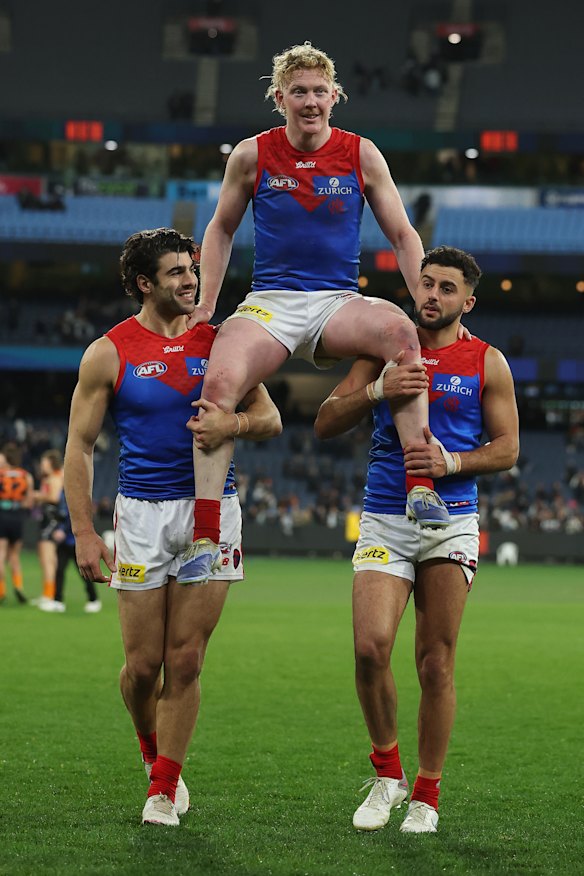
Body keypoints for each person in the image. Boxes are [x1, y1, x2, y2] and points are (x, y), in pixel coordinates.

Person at [178, 41, 451, 586]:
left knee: (402, 333)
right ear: (279, 98)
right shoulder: (252, 154)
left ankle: (420, 487)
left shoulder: (361, 153)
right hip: (269, 303)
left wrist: (423, 300)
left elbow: (402, 234)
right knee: (220, 380)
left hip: (336, 301)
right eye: (298, 91)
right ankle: (205, 537)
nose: (309, 101)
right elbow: (221, 228)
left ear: (335, 96)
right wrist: (207, 302)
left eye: (319, 91)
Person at [64, 228, 282, 827]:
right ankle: (150, 750)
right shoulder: (109, 352)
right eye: (177, 272)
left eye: (193, 268)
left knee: (184, 661)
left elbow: (269, 417)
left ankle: (163, 789)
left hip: (211, 512)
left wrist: (233, 425)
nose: (191, 280)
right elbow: (79, 447)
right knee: (142, 668)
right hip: (140, 516)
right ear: (144, 283)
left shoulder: (221, 343)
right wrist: (83, 531)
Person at [313, 246, 519, 833]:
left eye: (446, 288)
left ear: (468, 301)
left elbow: (508, 448)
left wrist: (451, 462)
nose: (432, 295)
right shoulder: (384, 348)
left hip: (450, 520)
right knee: (369, 649)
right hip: (385, 515)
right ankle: (388, 776)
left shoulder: (487, 361)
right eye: (426, 283)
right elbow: (325, 421)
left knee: (434, 662)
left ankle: (426, 796)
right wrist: (376, 390)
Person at [39, 487, 102, 614]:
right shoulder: (63, 492)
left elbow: (72, 515)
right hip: (64, 542)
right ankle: (58, 601)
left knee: (83, 571)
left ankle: (93, 599)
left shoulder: (75, 493)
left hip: (75, 541)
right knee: (59, 570)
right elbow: (61, 514)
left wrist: (62, 529)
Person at [0, 444, 34, 604]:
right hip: (17, 516)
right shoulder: (26, 476)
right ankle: (18, 586)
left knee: (1, 554)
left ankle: (1, 591)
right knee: (14, 555)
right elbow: (29, 502)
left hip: (2, 514)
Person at [33, 449, 64, 608]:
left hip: (51, 520)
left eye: (44, 462)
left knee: (49, 559)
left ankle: (50, 595)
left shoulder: (56, 477)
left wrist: (38, 496)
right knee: (44, 558)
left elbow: (54, 497)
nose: (42, 465)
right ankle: (46, 593)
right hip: (45, 519)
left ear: (51, 463)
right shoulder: (48, 478)